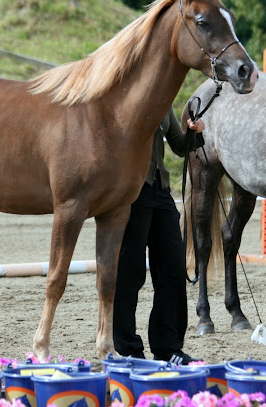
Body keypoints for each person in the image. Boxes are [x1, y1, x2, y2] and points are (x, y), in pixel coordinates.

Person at [113, 106, 204, 365]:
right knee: (130, 273)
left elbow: (179, 145)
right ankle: (127, 349)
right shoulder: (127, 96)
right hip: (131, 190)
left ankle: (167, 347)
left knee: (173, 270)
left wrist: (194, 133)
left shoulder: (163, 102)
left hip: (160, 189)